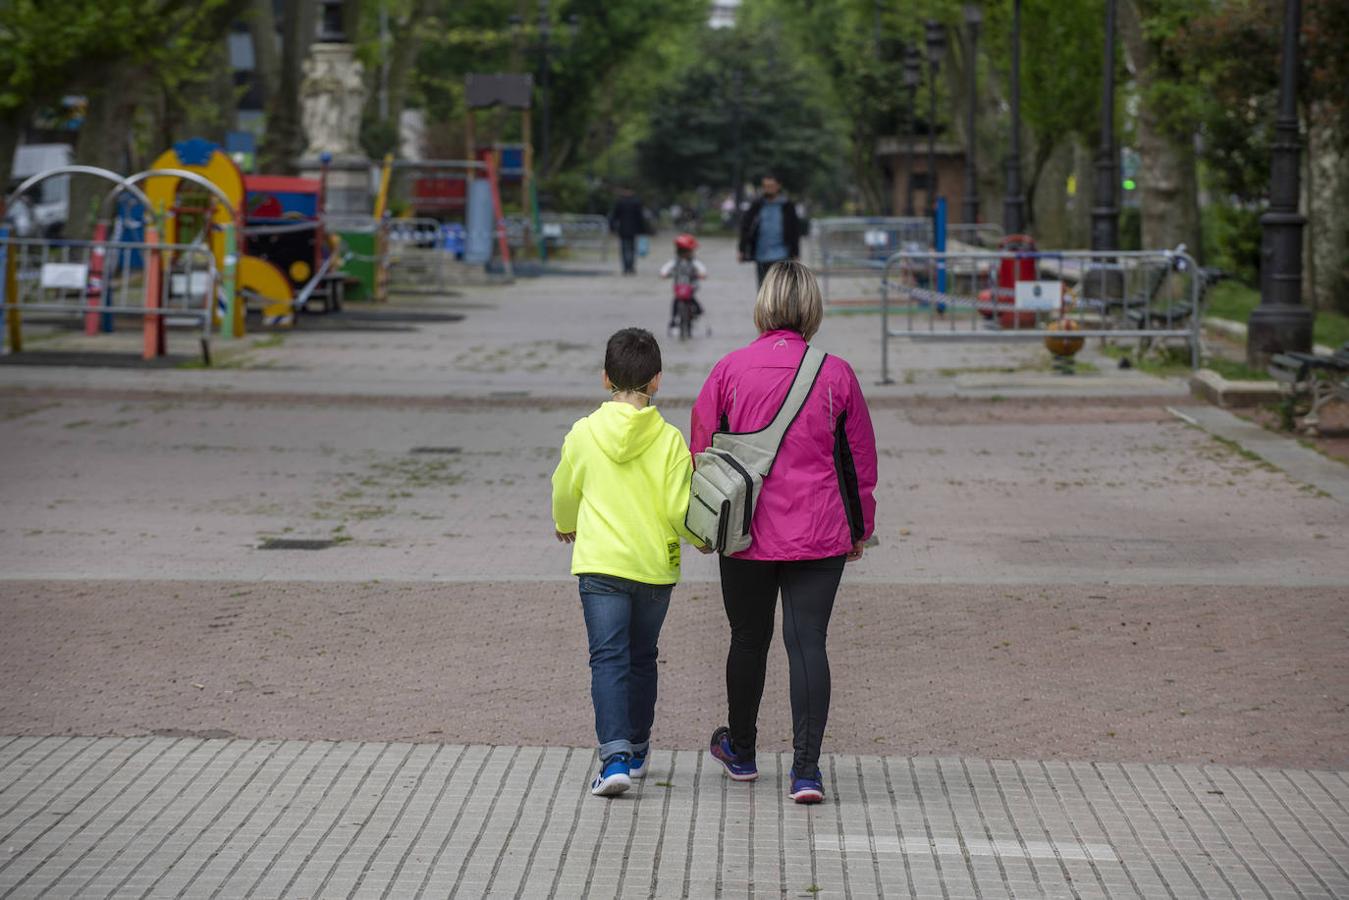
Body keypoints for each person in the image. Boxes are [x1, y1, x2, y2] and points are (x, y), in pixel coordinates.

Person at [690, 261, 877, 805]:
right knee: (808, 643)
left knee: (748, 639)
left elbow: (703, 448)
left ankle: (742, 752)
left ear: (764, 305)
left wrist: (704, 525)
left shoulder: (729, 369)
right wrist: (860, 526)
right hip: (820, 532)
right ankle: (806, 771)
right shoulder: (836, 373)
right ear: (812, 308)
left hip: (745, 531)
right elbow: (858, 459)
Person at [552, 328, 708, 797]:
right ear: (657, 381)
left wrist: (565, 521)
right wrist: (698, 537)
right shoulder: (670, 441)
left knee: (608, 660)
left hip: (601, 564)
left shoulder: (583, 433)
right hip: (653, 567)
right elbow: (680, 509)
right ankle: (638, 750)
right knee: (642, 658)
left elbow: (565, 490)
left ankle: (614, 758)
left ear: (605, 379)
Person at [738, 175, 802, 287]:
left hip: (782, 254)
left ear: (778, 186)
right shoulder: (757, 205)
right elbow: (746, 227)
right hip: (761, 254)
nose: (768, 189)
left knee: (781, 289)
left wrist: (796, 252)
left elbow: (794, 230)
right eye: (765, 186)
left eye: (771, 186)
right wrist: (742, 249)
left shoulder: (787, 206)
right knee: (763, 289)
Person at [660, 233, 708, 332]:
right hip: (679, 287)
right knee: (675, 301)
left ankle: (698, 311)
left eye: (688, 251)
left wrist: (702, 273)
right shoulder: (675, 261)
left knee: (692, 299)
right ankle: (673, 319)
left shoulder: (693, 262)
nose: (686, 254)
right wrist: (664, 273)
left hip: (691, 287)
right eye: (684, 251)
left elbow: (701, 267)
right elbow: (666, 267)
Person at [609, 188, 646, 275]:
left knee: (624, 249)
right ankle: (631, 267)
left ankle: (626, 267)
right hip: (634, 229)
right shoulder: (636, 202)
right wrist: (643, 229)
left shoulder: (620, 202)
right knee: (632, 249)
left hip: (623, 229)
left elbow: (614, 216)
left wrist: (612, 227)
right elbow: (640, 217)